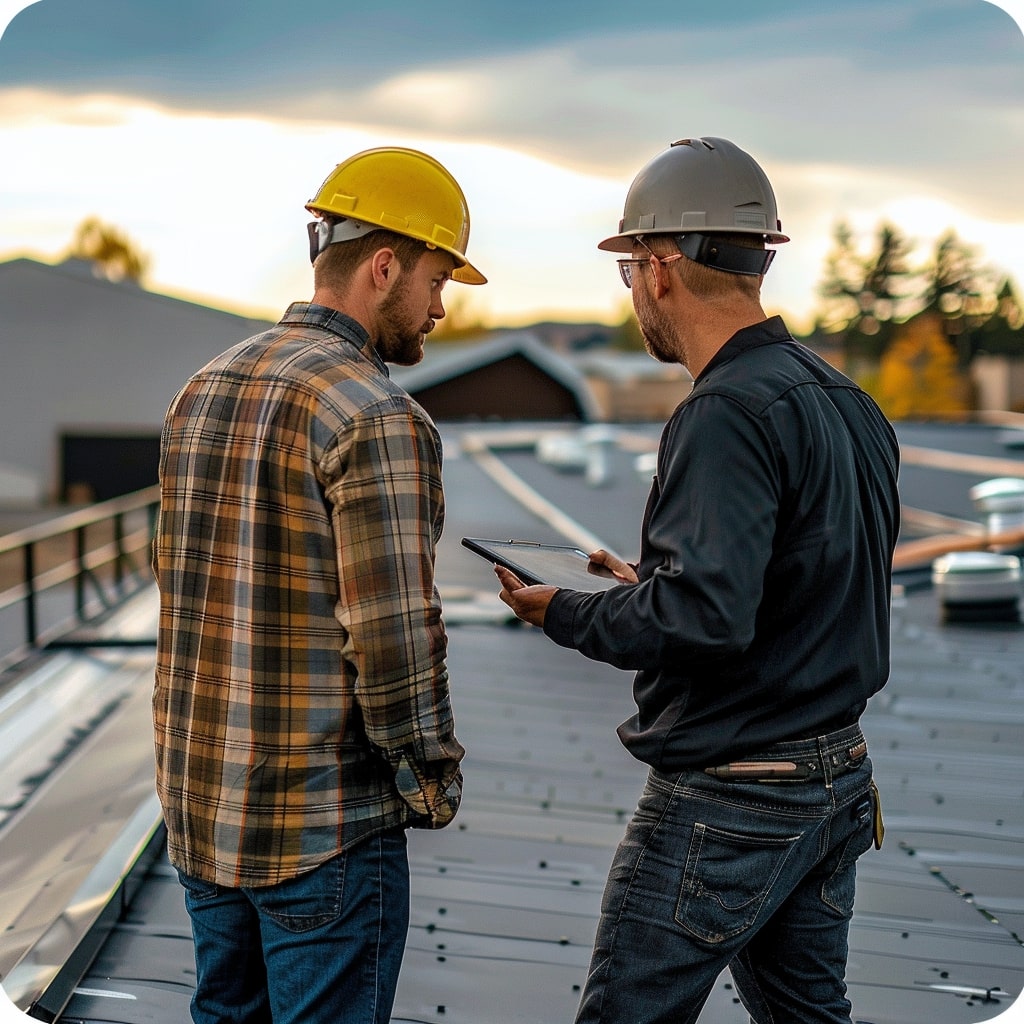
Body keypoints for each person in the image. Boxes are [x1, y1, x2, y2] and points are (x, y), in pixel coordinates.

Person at [495, 136, 900, 1024]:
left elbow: (704, 621)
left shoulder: (722, 413)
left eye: (630, 270)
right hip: (834, 780)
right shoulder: (846, 402)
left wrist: (564, 609)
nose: (633, 291)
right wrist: (650, 582)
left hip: (736, 792)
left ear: (662, 266)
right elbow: (793, 588)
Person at [152, 146, 485, 1024]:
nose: (441, 308)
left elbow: (185, 602)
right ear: (385, 266)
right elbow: (396, 641)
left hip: (201, 817)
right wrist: (432, 782)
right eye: (438, 278)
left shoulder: (201, 388)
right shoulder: (376, 416)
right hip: (321, 833)